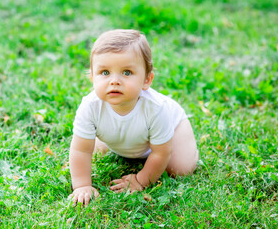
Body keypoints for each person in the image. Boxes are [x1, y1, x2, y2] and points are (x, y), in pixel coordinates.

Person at [69, 29, 199, 206]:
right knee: (91, 147)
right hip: (129, 135)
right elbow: (80, 150)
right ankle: (111, 141)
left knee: (180, 169)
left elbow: (161, 153)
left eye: (127, 72)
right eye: (105, 72)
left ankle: (185, 147)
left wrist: (140, 180)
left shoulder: (156, 109)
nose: (114, 81)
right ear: (92, 77)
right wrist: (82, 185)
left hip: (172, 131)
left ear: (147, 80)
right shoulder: (90, 106)